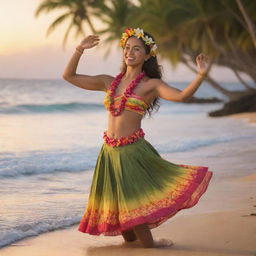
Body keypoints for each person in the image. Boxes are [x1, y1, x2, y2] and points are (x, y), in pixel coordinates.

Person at [62, 27, 213, 248]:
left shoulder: (151, 85)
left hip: (132, 151)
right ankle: (132, 241)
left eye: (136, 48)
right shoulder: (108, 82)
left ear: (147, 54)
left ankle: (151, 244)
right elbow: (69, 76)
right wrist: (79, 49)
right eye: (127, 48)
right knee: (118, 206)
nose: (129, 52)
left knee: (133, 202)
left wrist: (201, 74)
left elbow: (181, 96)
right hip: (109, 152)